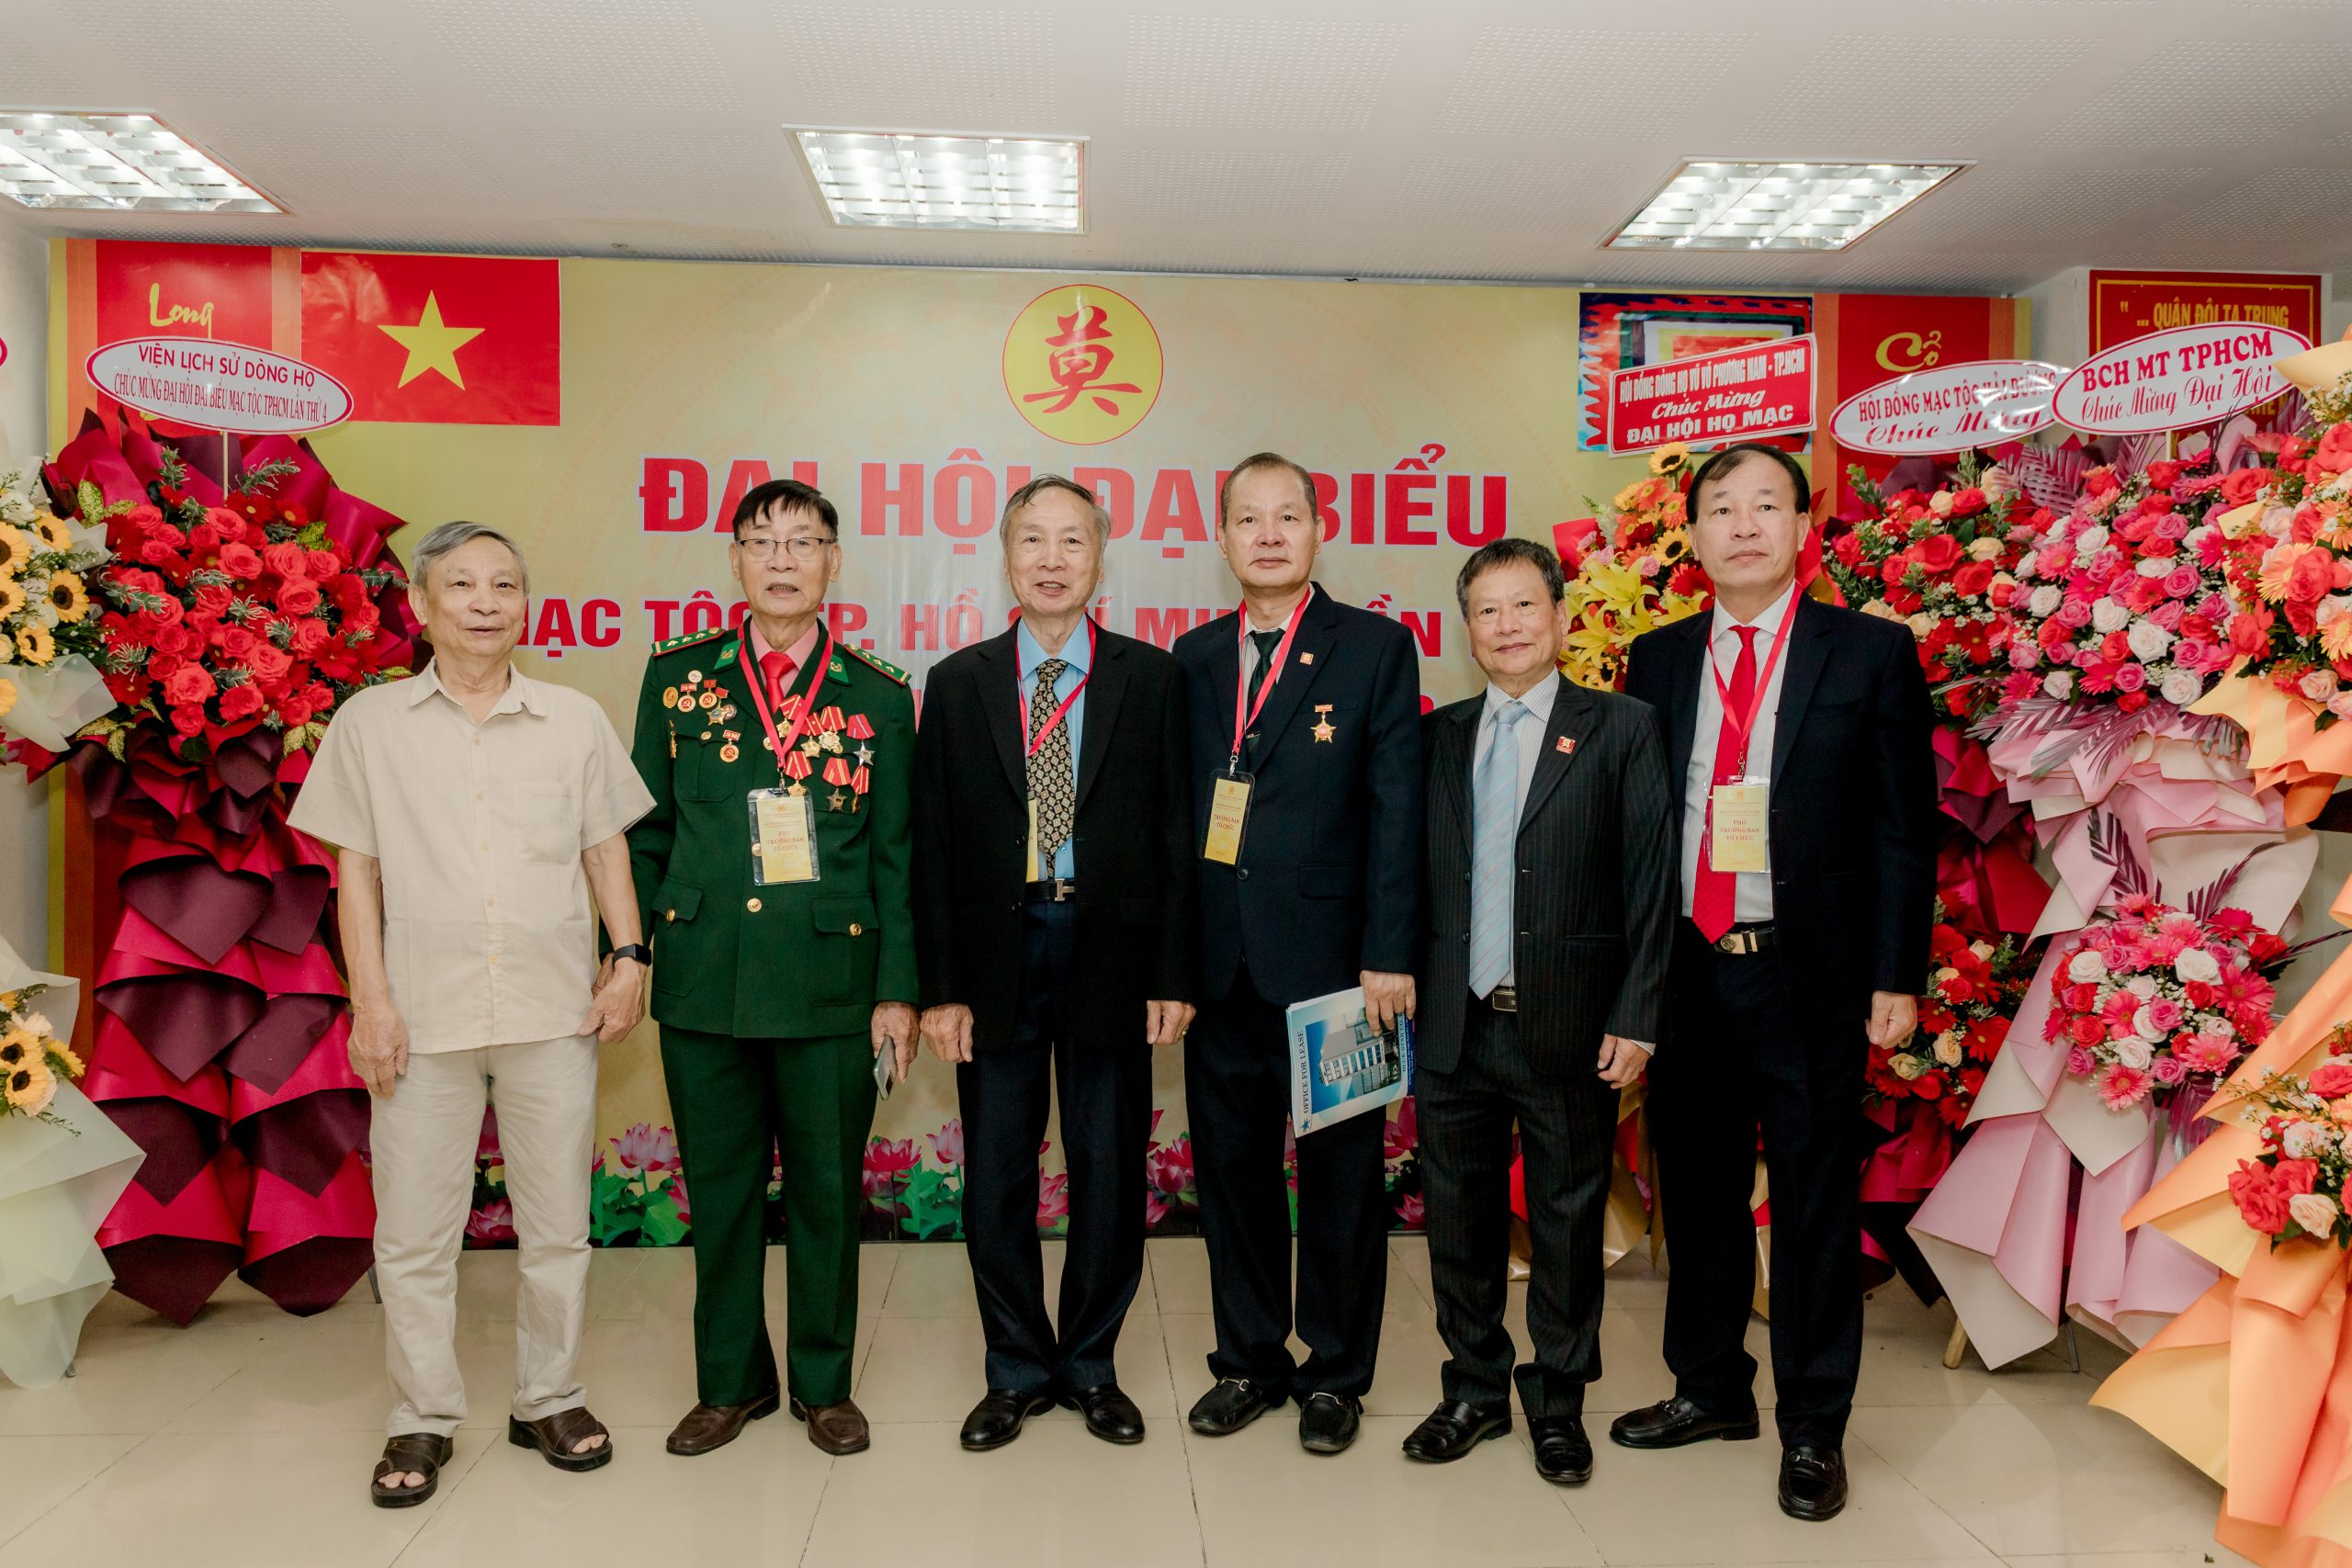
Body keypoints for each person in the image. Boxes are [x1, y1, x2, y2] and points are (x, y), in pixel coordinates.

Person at [288, 522, 654, 1507]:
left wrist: (628, 958)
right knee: (414, 1236)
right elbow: (354, 875)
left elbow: (606, 849)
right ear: (421, 604)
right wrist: (370, 1003)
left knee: (558, 1229)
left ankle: (550, 1397)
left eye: (505, 584)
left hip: (552, 1011)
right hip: (421, 1015)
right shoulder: (370, 724)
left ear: (526, 605)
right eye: (462, 584)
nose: (486, 602)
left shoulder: (573, 719)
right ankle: (420, 1415)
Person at [1616, 442, 1936, 1520]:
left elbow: (1902, 830)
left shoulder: (1869, 653)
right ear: (1692, 535)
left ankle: (1812, 1427)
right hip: (1689, 971)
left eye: (1765, 505)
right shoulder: (1658, 659)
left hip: (1810, 974)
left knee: (1810, 1207)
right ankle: (1709, 1389)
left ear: (1804, 527)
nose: (1743, 524)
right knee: (1698, 1193)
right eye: (1721, 508)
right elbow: (1640, 829)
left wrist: (1895, 975)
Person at [626, 478, 919, 1459]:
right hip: (705, 979)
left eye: (803, 542)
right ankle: (730, 1382)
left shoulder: (879, 694)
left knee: (828, 1195)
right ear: (735, 561)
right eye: (763, 541)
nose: (782, 560)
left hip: (832, 984)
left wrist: (897, 991)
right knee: (721, 1194)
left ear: (834, 561)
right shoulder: (678, 679)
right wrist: (628, 953)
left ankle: (823, 1386)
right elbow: (645, 835)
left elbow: (897, 858)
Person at [911, 475, 1198, 1450]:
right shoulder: (958, 682)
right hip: (996, 950)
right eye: (1032, 540)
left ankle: (1090, 1365)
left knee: (1108, 1166)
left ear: (1099, 558)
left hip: (1111, 947)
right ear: (1005, 556)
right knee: (997, 1168)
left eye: (1071, 540)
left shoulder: (1150, 678)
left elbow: (1176, 836)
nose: (1051, 559)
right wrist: (940, 989)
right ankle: (1015, 1369)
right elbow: (933, 844)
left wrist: (1172, 973)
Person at [1406, 537, 1674, 1485]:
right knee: (1459, 1220)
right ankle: (1473, 1387)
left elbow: (1650, 883)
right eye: (1486, 610)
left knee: (1564, 1223)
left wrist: (1637, 1015)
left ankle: (1557, 1401)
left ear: (1560, 617)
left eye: (1524, 605)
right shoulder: (1438, 737)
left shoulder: (1621, 727)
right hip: (1455, 1020)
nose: (1507, 626)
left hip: (1567, 1023)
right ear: (1467, 629)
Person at [1172, 451, 1423, 1455]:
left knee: (1341, 1181)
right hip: (1220, 967)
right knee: (1230, 1177)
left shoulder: (1375, 647)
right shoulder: (1192, 656)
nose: (1268, 535)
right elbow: (1174, 822)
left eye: (1288, 516)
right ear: (1221, 537)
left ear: (1321, 530)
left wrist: (1389, 950)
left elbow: (1396, 809)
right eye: (1248, 518)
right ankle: (1247, 1362)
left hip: (1337, 974)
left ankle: (1335, 1374)